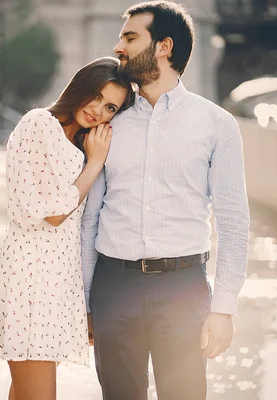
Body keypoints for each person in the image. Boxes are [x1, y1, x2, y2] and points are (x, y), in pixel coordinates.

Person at [81, 2, 250, 400]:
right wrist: (88, 301)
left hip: (183, 289)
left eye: (129, 37)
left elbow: (233, 221)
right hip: (113, 286)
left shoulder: (216, 125)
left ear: (163, 46)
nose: (118, 47)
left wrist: (224, 308)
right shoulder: (109, 123)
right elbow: (90, 219)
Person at [0, 56, 135, 400]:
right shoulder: (39, 123)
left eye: (110, 108)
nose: (98, 110)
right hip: (30, 279)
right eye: (96, 96)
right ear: (80, 88)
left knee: (24, 393)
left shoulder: (78, 140)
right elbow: (53, 214)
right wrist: (94, 163)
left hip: (58, 282)